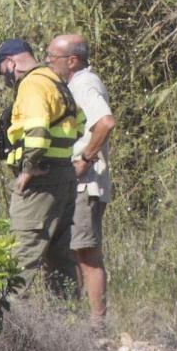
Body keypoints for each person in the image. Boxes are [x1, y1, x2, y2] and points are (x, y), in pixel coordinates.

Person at [0, 38, 85, 296]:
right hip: (63, 176)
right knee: (60, 258)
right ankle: (67, 322)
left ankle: (10, 327)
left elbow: (38, 130)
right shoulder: (55, 81)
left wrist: (28, 169)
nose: (6, 79)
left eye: (4, 73)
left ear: (11, 63)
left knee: (22, 254)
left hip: (40, 181)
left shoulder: (32, 84)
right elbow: (80, 124)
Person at [46, 34, 116, 330]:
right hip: (76, 182)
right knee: (72, 251)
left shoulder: (85, 84)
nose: (48, 62)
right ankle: (74, 320)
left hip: (86, 183)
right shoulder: (73, 85)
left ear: (72, 60)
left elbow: (106, 122)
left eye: (53, 57)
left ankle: (97, 325)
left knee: (86, 252)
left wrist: (85, 159)